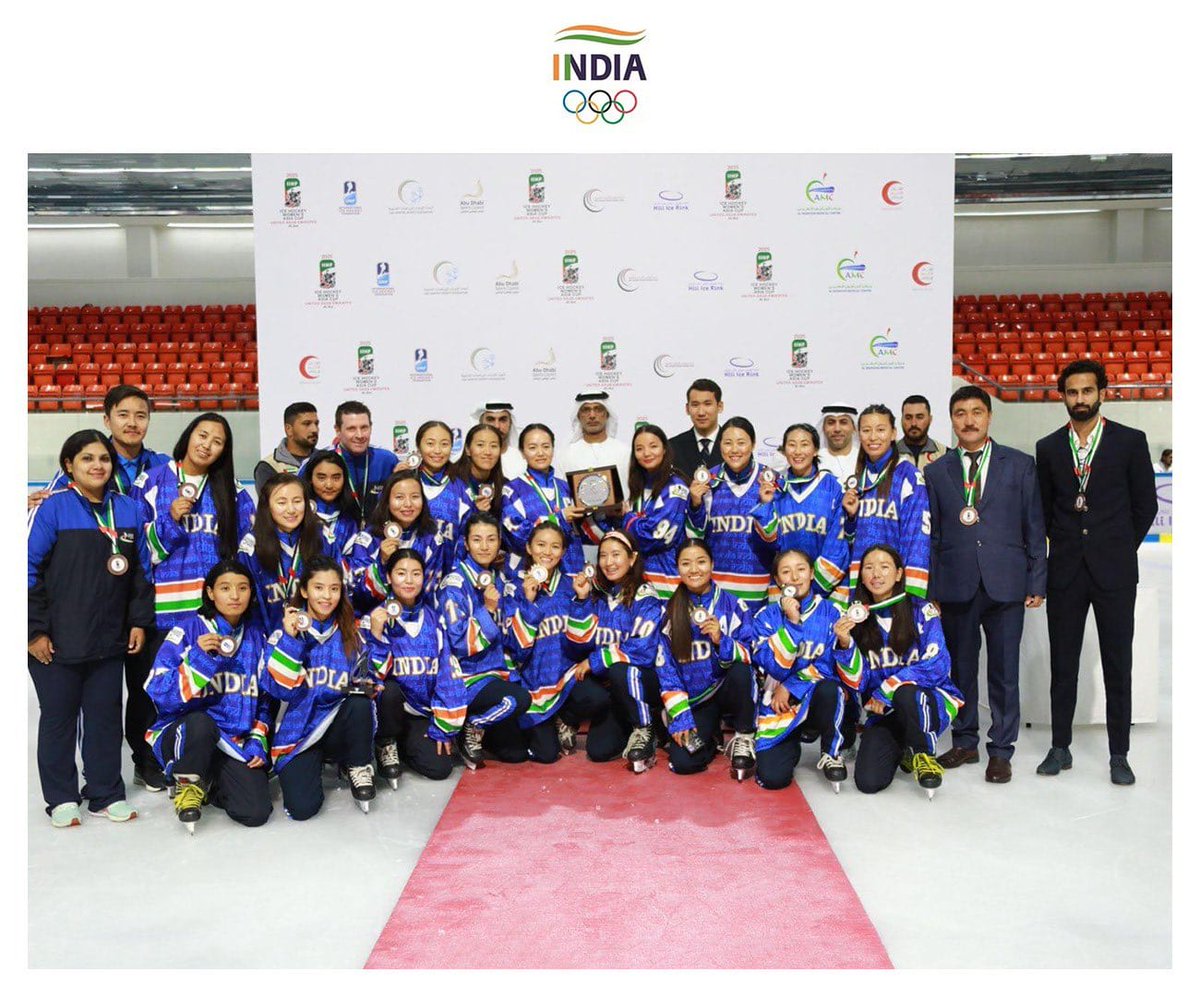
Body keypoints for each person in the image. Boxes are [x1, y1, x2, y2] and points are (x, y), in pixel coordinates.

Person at [1034, 359, 1158, 786]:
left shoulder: (1130, 441)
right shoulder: (1049, 447)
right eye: (1072, 392)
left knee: (1117, 664)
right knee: (1063, 664)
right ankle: (1060, 746)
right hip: (1066, 571)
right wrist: (1069, 544)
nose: (1080, 399)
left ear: (1102, 393)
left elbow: (1146, 505)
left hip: (1114, 573)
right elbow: (1044, 510)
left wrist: (1117, 548)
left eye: (1087, 391)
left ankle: (1119, 754)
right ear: (1062, 397)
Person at [28, 430, 153, 826]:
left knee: (104, 718)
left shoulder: (128, 509)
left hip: (109, 636)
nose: (97, 465)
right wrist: (33, 632)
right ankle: (61, 798)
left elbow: (141, 574)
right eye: (87, 458)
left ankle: (105, 793)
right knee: (59, 718)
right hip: (56, 639)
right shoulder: (53, 509)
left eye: (103, 458)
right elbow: (26, 570)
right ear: (69, 465)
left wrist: (138, 621)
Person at [927, 386, 1046, 783]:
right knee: (960, 669)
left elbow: (1034, 526)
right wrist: (932, 589)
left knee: (1004, 671)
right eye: (960, 413)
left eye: (976, 412)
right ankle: (965, 742)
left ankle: (1001, 749)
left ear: (989, 416)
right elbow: (934, 536)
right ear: (952, 420)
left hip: (1006, 583)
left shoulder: (1020, 464)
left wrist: (1037, 579)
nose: (969, 420)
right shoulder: (936, 471)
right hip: (955, 583)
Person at [132, 414, 255, 791]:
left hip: (215, 613)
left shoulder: (232, 490)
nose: (207, 445)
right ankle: (152, 760)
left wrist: (235, 592)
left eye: (217, 442)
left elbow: (247, 545)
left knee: (213, 687)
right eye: (203, 435)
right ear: (188, 436)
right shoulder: (152, 481)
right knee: (159, 689)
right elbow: (138, 550)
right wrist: (170, 520)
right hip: (167, 612)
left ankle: (208, 759)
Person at [143, 560, 272, 830]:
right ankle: (187, 780)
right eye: (225, 588)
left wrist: (257, 739)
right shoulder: (187, 630)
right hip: (187, 733)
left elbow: (264, 699)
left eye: (243, 588)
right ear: (211, 593)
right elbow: (158, 691)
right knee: (202, 723)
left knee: (255, 812)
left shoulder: (257, 636)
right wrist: (197, 659)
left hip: (231, 741)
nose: (235, 596)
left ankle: (210, 780)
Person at [834, 544, 963, 797]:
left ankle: (924, 753)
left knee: (905, 693)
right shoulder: (857, 619)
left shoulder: (921, 609)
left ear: (899, 574)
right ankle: (905, 747)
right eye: (869, 568)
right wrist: (845, 643)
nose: (876, 574)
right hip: (885, 712)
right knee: (868, 782)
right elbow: (858, 684)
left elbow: (938, 664)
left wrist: (887, 688)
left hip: (927, 703)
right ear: (862, 576)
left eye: (884, 567)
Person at [260, 556, 377, 817]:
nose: (327, 596)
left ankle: (357, 764)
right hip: (299, 734)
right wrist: (291, 640)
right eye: (319, 588)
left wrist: (369, 685)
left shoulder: (352, 634)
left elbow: (367, 680)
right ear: (304, 591)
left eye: (334, 589)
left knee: (359, 703)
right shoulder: (282, 635)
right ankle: (312, 764)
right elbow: (282, 691)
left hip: (336, 725)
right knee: (302, 809)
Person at [508, 521, 625, 763]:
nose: (547, 552)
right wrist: (527, 602)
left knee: (598, 698)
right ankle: (545, 725)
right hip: (533, 683)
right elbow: (518, 650)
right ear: (528, 548)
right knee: (546, 755)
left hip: (567, 677)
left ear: (563, 552)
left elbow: (581, 644)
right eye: (541, 545)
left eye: (555, 546)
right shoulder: (513, 588)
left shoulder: (572, 584)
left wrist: (581, 600)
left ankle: (566, 719)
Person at [364, 548, 470, 784]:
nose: (409, 581)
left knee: (440, 768)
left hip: (420, 712)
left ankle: (405, 744)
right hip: (388, 711)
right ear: (389, 577)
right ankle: (385, 742)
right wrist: (376, 635)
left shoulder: (434, 619)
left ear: (425, 577)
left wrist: (443, 726)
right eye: (401, 573)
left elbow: (447, 673)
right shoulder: (373, 618)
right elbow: (370, 678)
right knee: (389, 690)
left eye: (416, 573)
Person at [565, 528, 667, 772]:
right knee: (598, 751)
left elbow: (643, 650)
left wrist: (597, 660)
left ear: (632, 558)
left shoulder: (645, 596)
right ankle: (631, 720)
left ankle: (645, 729)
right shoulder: (598, 594)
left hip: (643, 680)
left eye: (616, 554)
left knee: (621, 669)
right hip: (612, 687)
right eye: (603, 555)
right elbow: (578, 643)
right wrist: (581, 600)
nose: (609, 562)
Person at [655, 538, 757, 779]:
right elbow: (665, 668)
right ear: (677, 568)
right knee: (684, 763)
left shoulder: (734, 605)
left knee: (741, 671)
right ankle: (711, 736)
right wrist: (681, 716)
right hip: (697, 700)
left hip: (727, 690)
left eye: (701, 562)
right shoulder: (669, 611)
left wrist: (722, 641)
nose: (694, 569)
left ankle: (744, 735)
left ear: (712, 564)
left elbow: (751, 654)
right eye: (686, 563)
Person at [437, 513, 534, 767]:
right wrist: (488, 610)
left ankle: (483, 729)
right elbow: (459, 644)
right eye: (477, 539)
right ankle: (470, 726)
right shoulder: (454, 584)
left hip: (497, 674)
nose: (484, 546)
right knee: (519, 699)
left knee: (517, 754)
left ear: (500, 542)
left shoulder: (499, 579)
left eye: (491, 539)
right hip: (466, 677)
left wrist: (528, 604)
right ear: (466, 543)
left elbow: (510, 637)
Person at [750, 550, 851, 791]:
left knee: (831, 688)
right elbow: (771, 666)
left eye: (801, 569)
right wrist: (792, 622)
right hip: (779, 705)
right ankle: (791, 741)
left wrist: (791, 685)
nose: (795, 577)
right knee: (773, 778)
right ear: (777, 580)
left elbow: (829, 665)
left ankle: (831, 752)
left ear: (812, 573)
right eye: (786, 572)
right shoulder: (765, 617)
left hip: (814, 697)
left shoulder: (832, 613)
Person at [839, 404, 931, 604]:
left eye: (880, 430)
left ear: (893, 434)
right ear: (859, 435)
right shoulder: (856, 479)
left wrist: (911, 596)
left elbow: (917, 538)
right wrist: (851, 518)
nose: (873, 437)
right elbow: (848, 541)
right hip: (862, 586)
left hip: (896, 587)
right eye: (866, 430)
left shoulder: (908, 476)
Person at [685, 416, 775, 611]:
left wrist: (765, 505)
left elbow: (776, 540)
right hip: (718, 591)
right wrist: (695, 503)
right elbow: (695, 537)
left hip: (759, 589)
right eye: (727, 443)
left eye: (741, 443)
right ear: (719, 445)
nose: (734, 450)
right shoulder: (708, 481)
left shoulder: (770, 481)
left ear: (753, 444)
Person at [751, 422, 849, 597]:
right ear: (784, 450)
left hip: (826, 591)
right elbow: (767, 546)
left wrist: (810, 591)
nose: (797, 451)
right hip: (784, 589)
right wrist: (765, 504)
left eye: (804, 445)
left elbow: (838, 546)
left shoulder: (833, 488)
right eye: (792, 445)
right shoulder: (775, 488)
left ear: (816, 450)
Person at [33, 385, 170, 507]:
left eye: (140, 416)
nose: (132, 423)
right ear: (107, 421)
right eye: (123, 415)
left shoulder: (165, 464)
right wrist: (31, 503)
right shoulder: (83, 464)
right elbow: (47, 501)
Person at [607, 424, 689, 598]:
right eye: (639, 449)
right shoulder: (636, 485)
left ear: (665, 449)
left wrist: (627, 518)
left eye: (653, 446)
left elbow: (655, 536)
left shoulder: (676, 487)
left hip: (666, 577)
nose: (646, 453)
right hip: (636, 578)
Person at [238, 472, 324, 633]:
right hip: (269, 636)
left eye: (297, 501)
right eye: (281, 503)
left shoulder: (322, 538)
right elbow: (249, 607)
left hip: (319, 635)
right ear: (267, 506)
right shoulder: (251, 547)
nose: (291, 510)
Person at [348, 469, 446, 610]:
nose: (408, 504)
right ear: (387, 500)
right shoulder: (367, 539)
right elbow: (356, 595)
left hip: (416, 615)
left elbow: (430, 593)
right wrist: (381, 562)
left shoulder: (432, 538)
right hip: (374, 615)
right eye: (399, 497)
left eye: (415, 497)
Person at [501, 423, 586, 576]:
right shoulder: (512, 490)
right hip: (530, 575)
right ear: (522, 452)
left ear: (553, 449)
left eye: (546, 447)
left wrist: (607, 512)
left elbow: (583, 531)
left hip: (569, 572)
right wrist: (559, 519)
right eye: (532, 448)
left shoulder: (567, 487)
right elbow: (515, 536)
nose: (540, 453)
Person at [327, 400, 399, 525]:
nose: (359, 435)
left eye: (364, 428)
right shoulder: (322, 461)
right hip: (335, 535)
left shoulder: (387, 460)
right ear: (338, 430)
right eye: (351, 429)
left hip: (378, 534)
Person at [449, 423, 505, 559]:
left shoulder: (504, 486)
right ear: (468, 449)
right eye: (480, 445)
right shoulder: (451, 481)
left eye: (493, 446)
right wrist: (474, 511)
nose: (487, 452)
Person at [298, 448, 360, 562]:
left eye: (336, 478)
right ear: (310, 478)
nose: (329, 485)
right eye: (321, 478)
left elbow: (356, 564)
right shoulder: (299, 516)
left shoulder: (349, 522)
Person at [564, 391, 630, 496]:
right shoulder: (565, 455)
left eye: (598, 409)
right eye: (586, 410)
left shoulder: (625, 452)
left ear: (607, 414)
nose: (592, 415)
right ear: (578, 416)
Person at [253, 401, 320, 494]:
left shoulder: (325, 460)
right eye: (307, 424)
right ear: (289, 429)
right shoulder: (269, 466)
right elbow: (268, 501)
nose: (314, 429)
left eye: (316, 424)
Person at [415, 420, 461, 548]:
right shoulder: (405, 481)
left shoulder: (462, 485)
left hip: (452, 559)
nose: (437, 450)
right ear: (418, 446)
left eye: (444, 444)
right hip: (410, 559)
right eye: (430, 443)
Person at [667, 378, 724, 480]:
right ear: (687, 408)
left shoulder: (734, 445)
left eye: (707, 404)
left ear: (719, 406)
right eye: (695, 405)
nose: (701, 412)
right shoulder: (672, 446)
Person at [474, 399, 525, 479]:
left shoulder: (523, 459)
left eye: (502, 420)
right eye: (490, 420)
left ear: (510, 423)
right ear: (481, 423)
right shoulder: (468, 459)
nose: (497, 426)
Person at [896, 395, 948, 469]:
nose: (913, 423)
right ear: (901, 420)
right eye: (908, 418)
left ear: (930, 419)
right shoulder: (888, 453)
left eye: (919, 417)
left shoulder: (944, 454)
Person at [816, 404, 858, 482]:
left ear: (854, 428)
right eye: (831, 423)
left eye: (843, 422)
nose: (837, 429)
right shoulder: (813, 461)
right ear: (823, 428)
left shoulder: (865, 459)